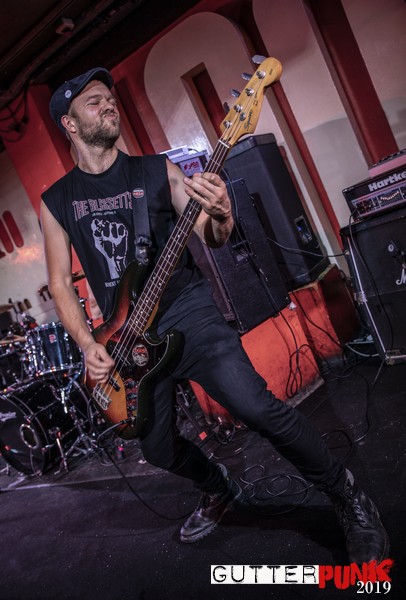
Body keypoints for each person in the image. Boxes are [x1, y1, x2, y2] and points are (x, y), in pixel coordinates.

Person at [41, 67, 389, 563]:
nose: (109, 105)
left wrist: (222, 211)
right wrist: (86, 343)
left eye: (110, 98)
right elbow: (59, 282)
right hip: (127, 338)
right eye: (95, 102)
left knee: (256, 406)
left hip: (188, 312)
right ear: (70, 123)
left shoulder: (156, 172)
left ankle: (347, 494)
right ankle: (219, 487)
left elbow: (213, 235)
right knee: (157, 449)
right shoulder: (57, 200)